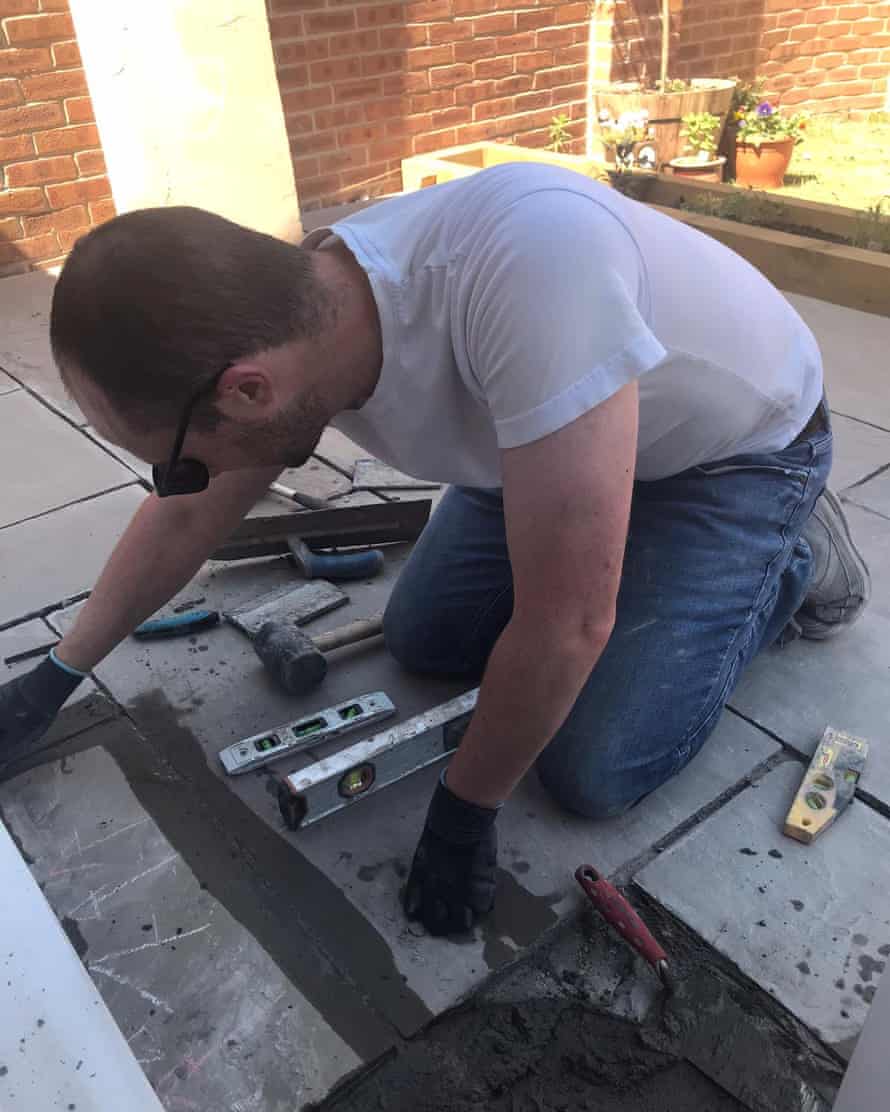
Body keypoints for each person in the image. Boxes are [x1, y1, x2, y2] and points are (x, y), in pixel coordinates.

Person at [0, 163, 870, 937]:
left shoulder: (531, 279)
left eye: (181, 458)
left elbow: (566, 623)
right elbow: (187, 520)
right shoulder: (302, 316)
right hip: (538, 435)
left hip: (733, 455)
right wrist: (56, 678)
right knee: (423, 641)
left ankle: (788, 561)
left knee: (595, 767)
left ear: (249, 389)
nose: (181, 481)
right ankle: (599, 520)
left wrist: (464, 809)